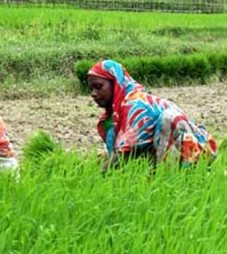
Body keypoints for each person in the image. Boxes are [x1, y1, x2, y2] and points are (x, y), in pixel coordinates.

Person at [85, 59, 217, 171]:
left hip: (193, 148)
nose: (93, 93)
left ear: (116, 84)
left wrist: (100, 174)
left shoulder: (135, 105)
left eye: (98, 86)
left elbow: (123, 155)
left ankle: (169, 176)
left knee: (169, 119)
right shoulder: (114, 116)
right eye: (91, 89)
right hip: (163, 149)